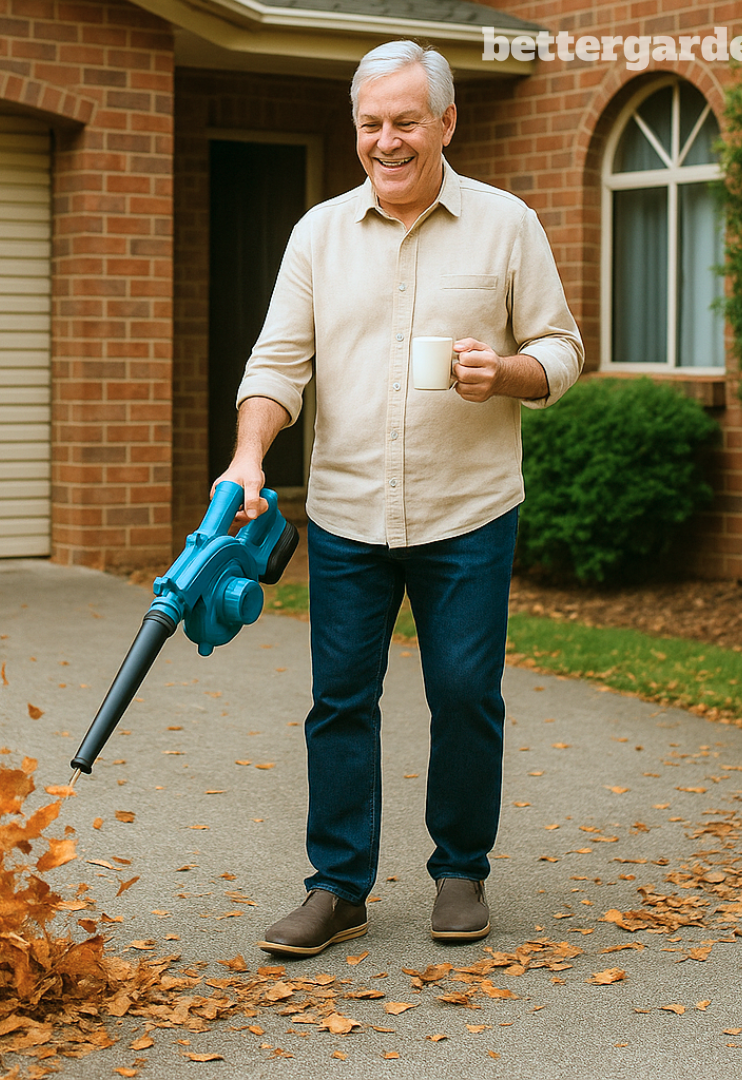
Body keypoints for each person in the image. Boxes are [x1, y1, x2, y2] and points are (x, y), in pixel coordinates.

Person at [213, 39, 584, 957]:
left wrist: (504, 373)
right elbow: (276, 366)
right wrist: (249, 454)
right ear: (356, 130)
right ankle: (337, 888)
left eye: (406, 121)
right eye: (371, 123)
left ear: (446, 123)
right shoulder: (318, 235)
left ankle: (460, 871)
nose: (388, 140)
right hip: (347, 512)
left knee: (464, 694)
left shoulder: (507, 224)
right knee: (339, 699)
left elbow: (564, 350)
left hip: (470, 511)